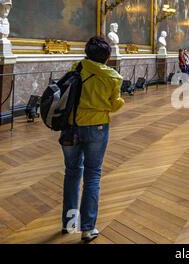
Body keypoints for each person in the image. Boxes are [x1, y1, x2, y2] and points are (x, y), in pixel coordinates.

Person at [61, 36, 125, 242]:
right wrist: (121, 102)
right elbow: (113, 105)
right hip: (96, 127)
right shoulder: (113, 77)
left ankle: (69, 223)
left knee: (71, 173)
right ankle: (87, 228)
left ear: (88, 53)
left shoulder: (77, 66)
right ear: (107, 56)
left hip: (71, 126)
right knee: (92, 175)